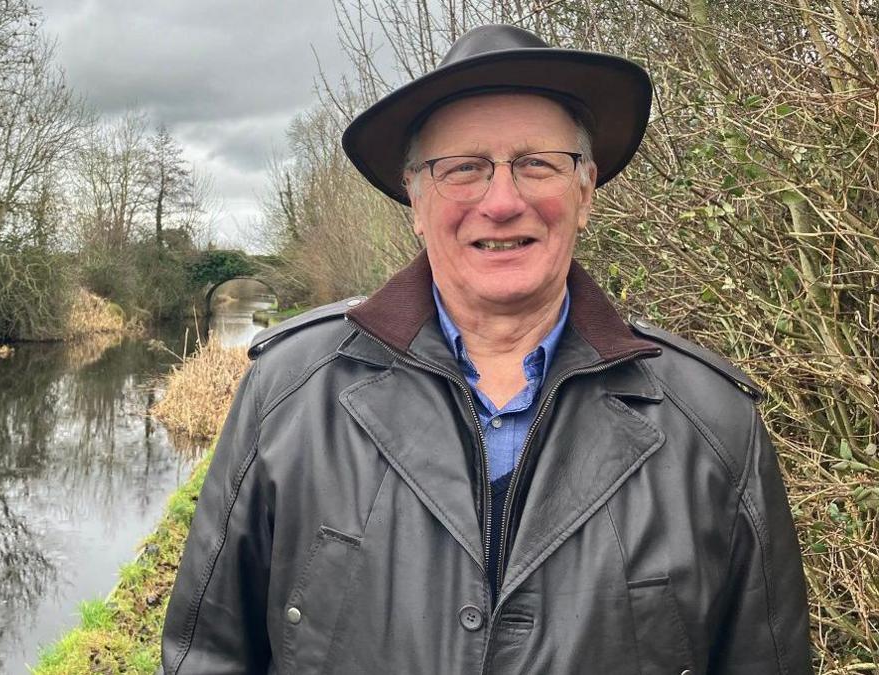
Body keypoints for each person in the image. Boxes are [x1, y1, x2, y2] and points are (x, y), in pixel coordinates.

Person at [160, 24, 812, 674]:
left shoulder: (715, 428)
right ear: (416, 198)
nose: (502, 201)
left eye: (537, 163)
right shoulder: (288, 395)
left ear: (584, 191)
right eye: (464, 168)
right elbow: (207, 654)